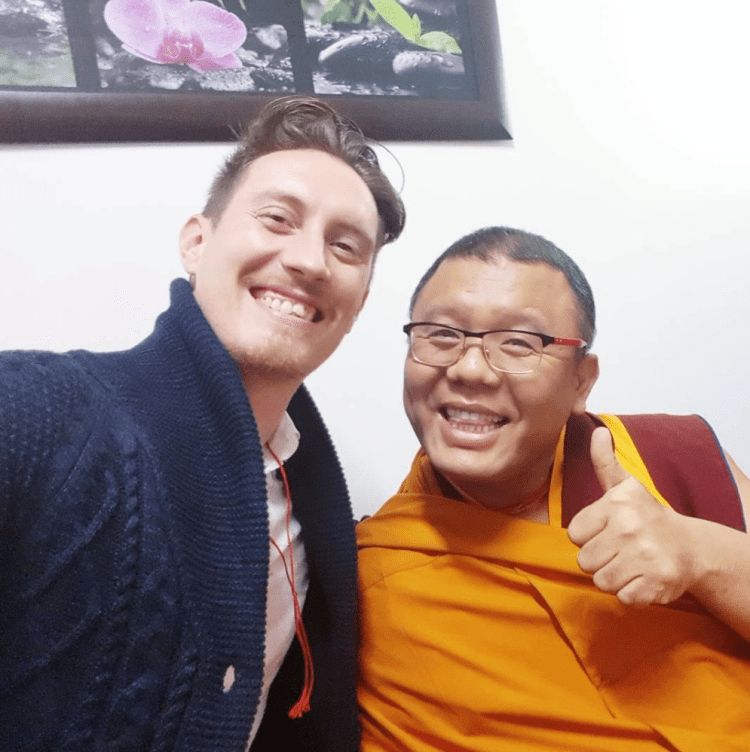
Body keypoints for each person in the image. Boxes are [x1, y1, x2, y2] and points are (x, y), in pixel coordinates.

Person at [0, 96, 405, 752]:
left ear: (358, 303)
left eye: (345, 246)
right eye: (278, 219)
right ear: (196, 242)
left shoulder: (311, 505)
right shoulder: (37, 410)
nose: (310, 261)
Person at [357, 226, 750, 751]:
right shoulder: (376, 573)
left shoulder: (670, 457)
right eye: (442, 335)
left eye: (519, 343)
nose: (469, 369)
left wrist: (699, 551)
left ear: (581, 381)